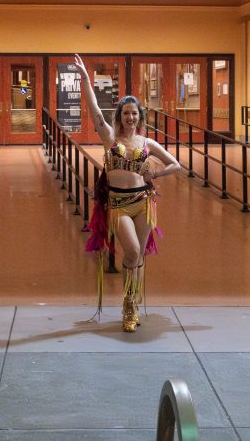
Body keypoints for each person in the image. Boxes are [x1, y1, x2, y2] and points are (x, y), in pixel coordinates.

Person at [73, 54, 182, 332]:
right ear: (119, 116)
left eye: (135, 113)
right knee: (132, 250)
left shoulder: (147, 142)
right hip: (118, 204)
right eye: (126, 113)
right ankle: (128, 305)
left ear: (140, 117)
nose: (130, 118)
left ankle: (131, 305)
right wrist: (86, 80)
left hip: (143, 203)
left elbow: (176, 165)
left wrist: (155, 173)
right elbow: (95, 111)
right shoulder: (111, 137)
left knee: (139, 256)